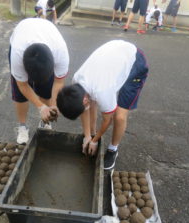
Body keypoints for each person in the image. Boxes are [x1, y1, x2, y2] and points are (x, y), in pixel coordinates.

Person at [57, 40, 149, 170]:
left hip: (135, 61)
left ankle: (113, 149)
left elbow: (107, 119)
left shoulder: (102, 90)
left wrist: (95, 141)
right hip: (115, 55)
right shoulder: (77, 80)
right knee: (93, 100)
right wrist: (88, 136)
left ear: (84, 100)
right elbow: (87, 107)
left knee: (119, 116)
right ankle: (93, 134)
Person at [9, 18, 69, 144]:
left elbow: (58, 82)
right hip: (22, 33)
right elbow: (22, 85)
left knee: (46, 90)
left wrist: (53, 105)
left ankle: (44, 121)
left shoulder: (61, 52)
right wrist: (40, 107)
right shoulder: (17, 54)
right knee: (20, 95)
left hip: (47, 37)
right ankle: (22, 126)